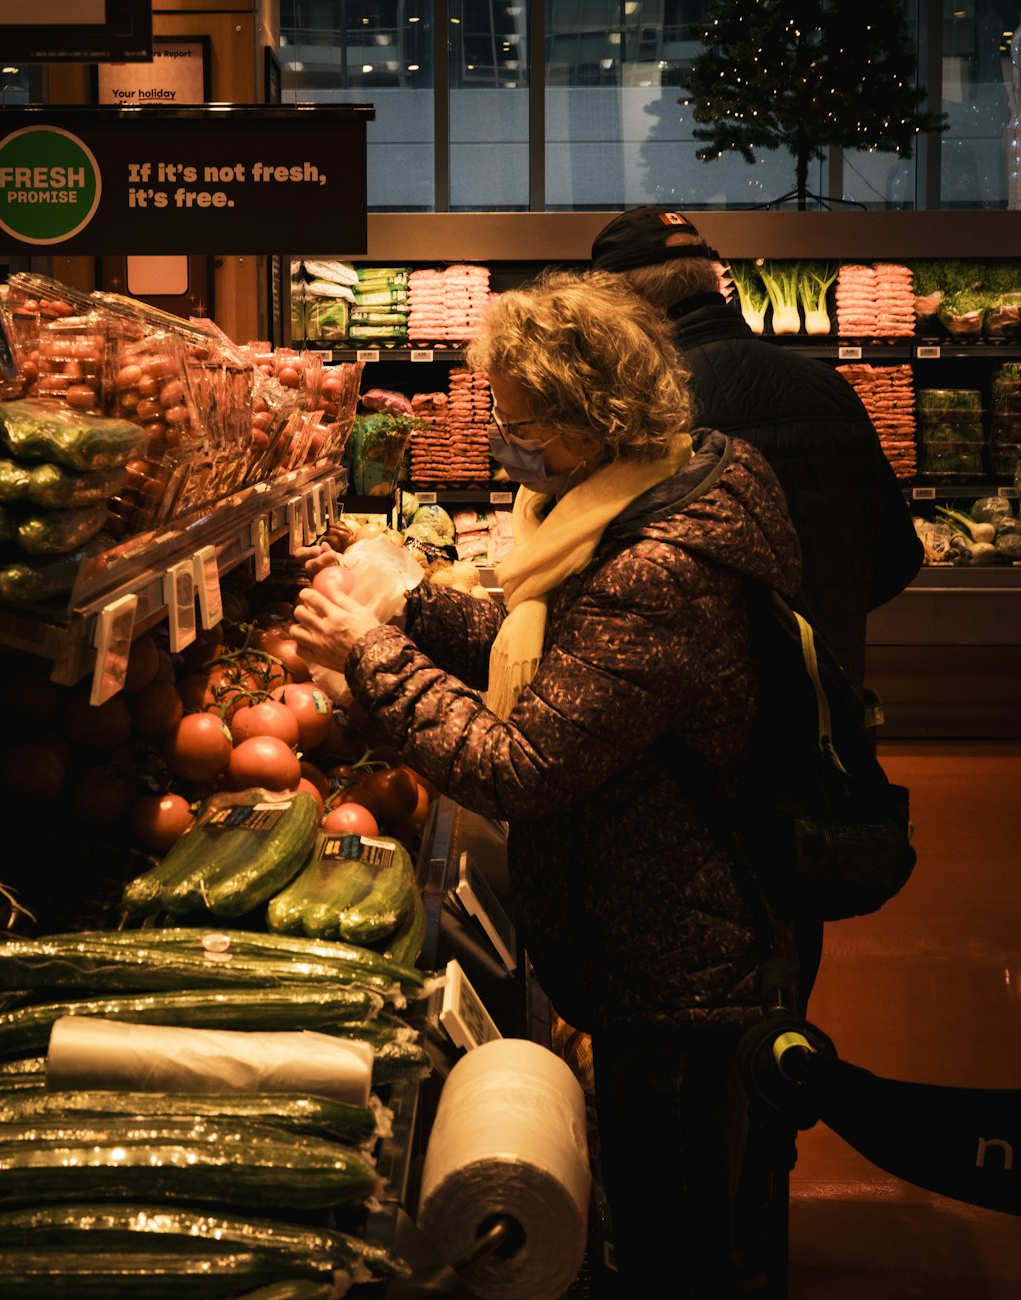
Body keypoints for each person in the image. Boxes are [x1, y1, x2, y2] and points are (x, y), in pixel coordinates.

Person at [291, 269, 802, 1297]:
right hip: (656, 921)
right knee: (657, 1193)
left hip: (677, 955)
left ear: (590, 420)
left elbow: (521, 766)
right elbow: (571, 652)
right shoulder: (639, 498)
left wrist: (372, 657)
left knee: (672, 1229)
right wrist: (415, 610)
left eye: (518, 422)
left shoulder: (658, 566)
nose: (501, 439)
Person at [590, 207, 924, 690]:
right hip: (831, 699)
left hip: (707, 708)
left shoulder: (645, 407)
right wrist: (821, 617)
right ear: (710, 281)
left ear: (626, 301)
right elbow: (898, 558)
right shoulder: (830, 388)